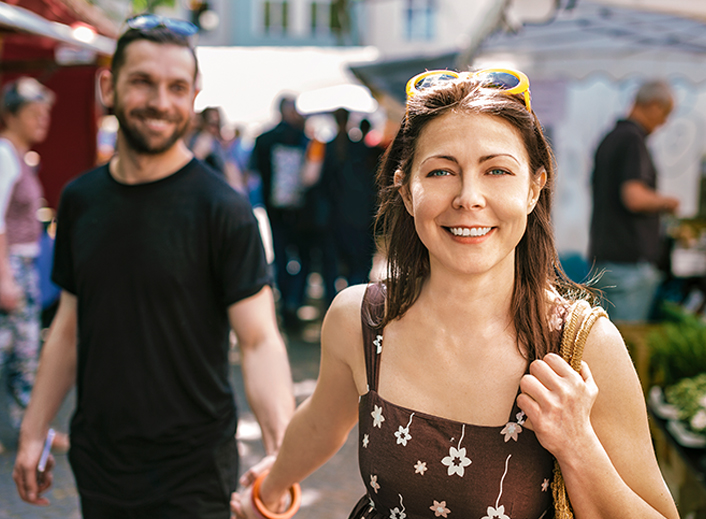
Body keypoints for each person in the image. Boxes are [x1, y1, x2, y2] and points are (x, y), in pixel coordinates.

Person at [231, 70, 680, 519]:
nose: (468, 197)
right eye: (442, 170)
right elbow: (320, 423)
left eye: (497, 170)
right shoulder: (361, 319)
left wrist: (577, 443)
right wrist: (268, 491)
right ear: (406, 191)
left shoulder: (582, 348)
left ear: (533, 187)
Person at [12, 16, 295, 519]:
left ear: (193, 95)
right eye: (143, 81)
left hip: (194, 469)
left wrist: (280, 455)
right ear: (108, 86)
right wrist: (34, 432)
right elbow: (69, 329)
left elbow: (259, 341)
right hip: (100, 462)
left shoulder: (223, 209)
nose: (160, 102)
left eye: (176, 87)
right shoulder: (80, 199)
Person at [0, 77, 68, 452]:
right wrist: (5, 277)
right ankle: (36, 431)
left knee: (22, 352)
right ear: (11, 115)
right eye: (34, 113)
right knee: (21, 352)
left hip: (21, 265)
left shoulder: (19, 155)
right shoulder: (4, 154)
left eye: (45, 113)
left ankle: (34, 428)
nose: (43, 120)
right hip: (10, 266)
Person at [589, 80, 680, 322]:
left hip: (605, 257)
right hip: (628, 263)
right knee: (626, 343)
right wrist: (667, 202)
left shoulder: (610, 138)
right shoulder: (633, 140)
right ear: (653, 106)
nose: (664, 122)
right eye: (665, 113)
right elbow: (634, 197)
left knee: (603, 340)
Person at [248, 96, 312, 330]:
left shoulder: (263, 139)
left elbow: (254, 173)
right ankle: (295, 300)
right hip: (300, 208)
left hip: (273, 207)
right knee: (302, 256)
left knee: (281, 255)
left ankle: (286, 301)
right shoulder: (303, 138)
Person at [319, 108, 378, 304]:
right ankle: (355, 304)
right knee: (358, 265)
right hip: (358, 216)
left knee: (332, 266)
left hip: (332, 217)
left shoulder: (325, 148)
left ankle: (333, 305)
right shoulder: (361, 149)